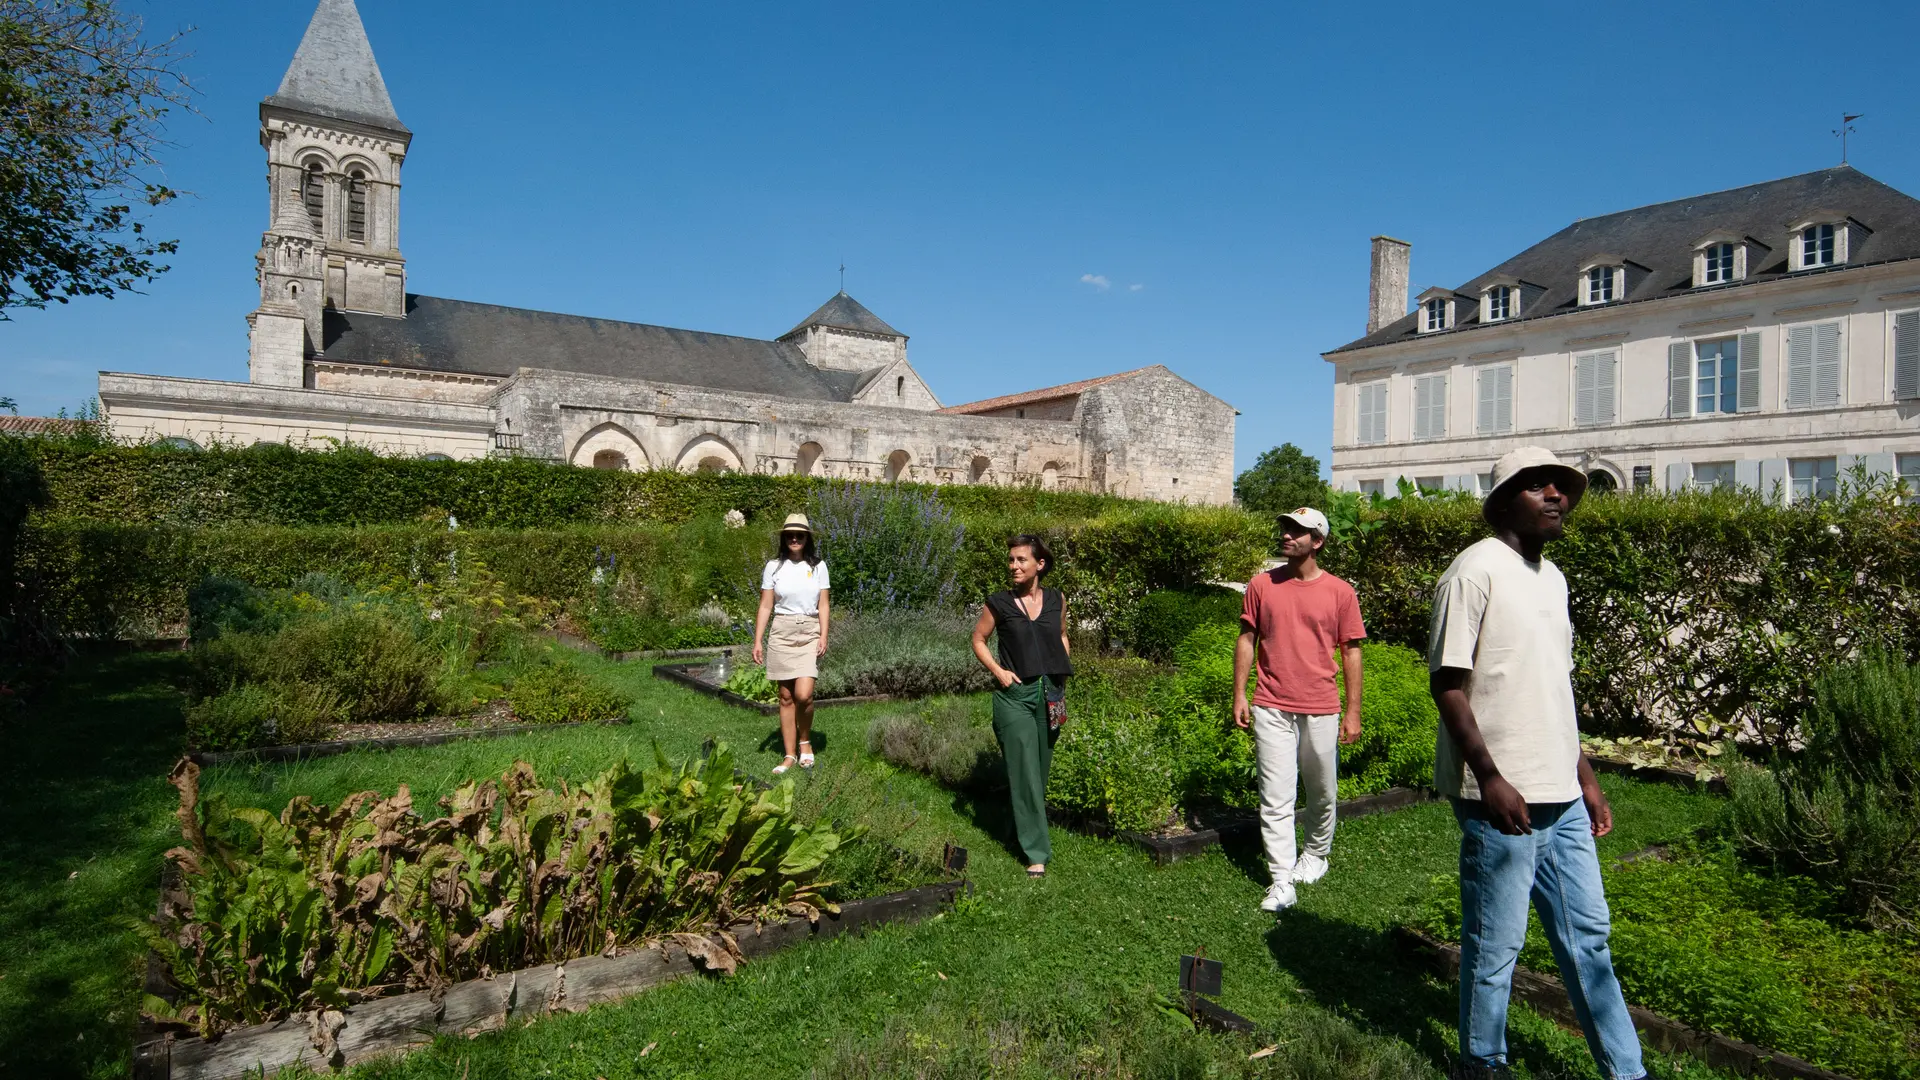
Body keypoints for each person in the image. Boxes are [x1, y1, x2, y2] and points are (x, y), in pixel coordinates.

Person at [1427, 447, 1643, 1080]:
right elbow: (1448, 684)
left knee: (1590, 940)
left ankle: (1626, 1071)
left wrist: (1585, 775)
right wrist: (1488, 777)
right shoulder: (1474, 571)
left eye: (1563, 487)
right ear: (1502, 501)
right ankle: (1483, 1061)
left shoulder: (1553, 578)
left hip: (1564, 795)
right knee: (1496, 946)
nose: (1557, 495)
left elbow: (1555, 686)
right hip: (1503, 797)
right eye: (1538, 485)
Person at [1230, 506, 1366, 913]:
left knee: (1322, 790)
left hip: (1321, 706)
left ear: (1317, 541)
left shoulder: (1341, 592)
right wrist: (1240, 693)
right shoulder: (1261, 585)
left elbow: (1352, 651)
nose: (1288, 535)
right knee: (1276, 796)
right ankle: (1281, 878)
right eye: (1286, 528)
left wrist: (1353, 711)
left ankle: (1316, 854)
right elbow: (1246, 639)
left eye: (1298, 531)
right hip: (1271, 703)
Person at [971, 534, 1072, 878]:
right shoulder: (998, 603)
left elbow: (1060, 634)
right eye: (1011, 560)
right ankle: (1037, 853)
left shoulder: (1058, 599)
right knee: (1026, 771)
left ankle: (1019, 827)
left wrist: (1062, 672)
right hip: (1015, 696)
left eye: (1021, 560)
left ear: (1039, 565)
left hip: (1051, 693)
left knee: (1039, 771)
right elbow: (978, 639)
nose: (1014, 566)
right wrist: (999, 672)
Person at [752, 513, 830, 775]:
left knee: (803, 695)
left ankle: (805, 741)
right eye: (790, 535)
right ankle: (789, 755)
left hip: (809, 631)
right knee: (785, 696)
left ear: (807, 538)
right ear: (784, 538)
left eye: (800, 535)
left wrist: (823, 635)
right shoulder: (773, 566)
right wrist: (758, 640)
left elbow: (824, 604)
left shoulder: (818, 566)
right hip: (781, 632)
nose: (794, 539)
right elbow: (765, 605)